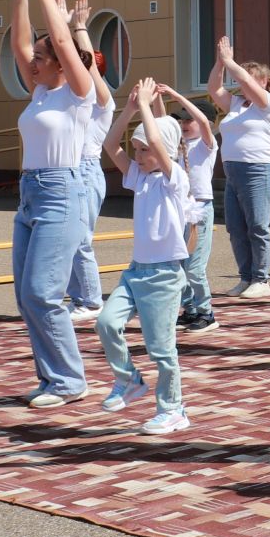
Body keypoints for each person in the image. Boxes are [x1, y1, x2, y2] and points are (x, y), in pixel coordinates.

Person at [0, 0, 95, 408]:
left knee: (42, 292)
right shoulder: (40, 91)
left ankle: (70, 380)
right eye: (35, 58)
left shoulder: (79, 92)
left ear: (61, 59)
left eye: (42, 57)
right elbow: (22, 46)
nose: (32, 63)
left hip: (63, 192)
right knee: (26, 295)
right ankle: (50, 376)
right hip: (30, 193)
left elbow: (57, 39)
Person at [96, 79, 195, 436]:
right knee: (106, 323)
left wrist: (149, 108)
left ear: (163, 151)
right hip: (136, 271)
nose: (137, 157)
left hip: (165, 275)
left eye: (143, 151)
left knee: (161, 348)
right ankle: (130, 380)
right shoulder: (140, 178)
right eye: (135, 151)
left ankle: (173, 409)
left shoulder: (175, 178)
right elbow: (109, 144)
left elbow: (158, 140)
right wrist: (130, 108)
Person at [208, 36, 270, 300]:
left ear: (264, 82)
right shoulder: (237, 105)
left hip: (258, 171)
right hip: (233, 172)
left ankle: (261, 278)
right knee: (236, 228)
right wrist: (220, 63)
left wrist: (231, 62)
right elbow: (214, 88)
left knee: (257, 226)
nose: (243, 82)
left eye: (250, 78)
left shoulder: (269, 106)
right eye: (241, 78)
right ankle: (246, 277)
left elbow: (248, 83)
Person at [63, 0, 115, 325]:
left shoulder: (102, 102)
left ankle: (92, 300)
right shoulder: (75, 101)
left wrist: (80, 28)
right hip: (69, 172)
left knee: (80, 240)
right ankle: (79, 297)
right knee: (67, 239)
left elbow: (88, 66)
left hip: (86, 172)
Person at [162, 84, 219, 335]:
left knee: (195, 267)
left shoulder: (207, 144)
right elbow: (162, 122)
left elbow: (204, 125)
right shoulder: (178, 146)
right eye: (181, 119)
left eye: (189, 119)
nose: (184, 123)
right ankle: (190, 309)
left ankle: (207, 312)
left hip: (200, 208)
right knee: (180, 264)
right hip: (179, 209)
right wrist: (158, 99)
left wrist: (176, 94)